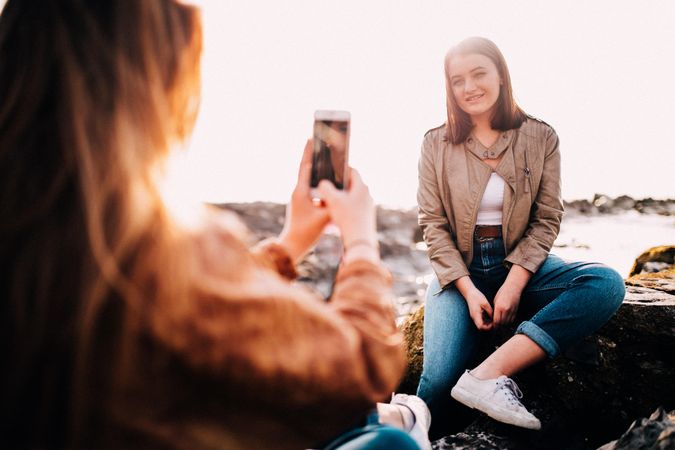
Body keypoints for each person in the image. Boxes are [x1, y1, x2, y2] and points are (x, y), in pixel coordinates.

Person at [0, 1, 431, 449]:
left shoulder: (45, 241)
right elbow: (359, 370)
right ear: (156, 88)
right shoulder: (160, 251)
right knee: (389, 440)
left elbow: (200, 305)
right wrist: (360, 241)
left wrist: (289, 243)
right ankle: (407, 418)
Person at [415, 36, 625, 436]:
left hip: (525, 264)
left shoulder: (540, 136)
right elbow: (433, 226)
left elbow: (547, 218)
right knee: (438, 381)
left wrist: (514, 283)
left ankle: (489, 375)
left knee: (605, 283)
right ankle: (409, 436)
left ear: (501, 75)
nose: (469, 87)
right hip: (460, 272)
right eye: (457, 79)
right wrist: (468, 289)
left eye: (479, 74)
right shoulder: (434, 143)